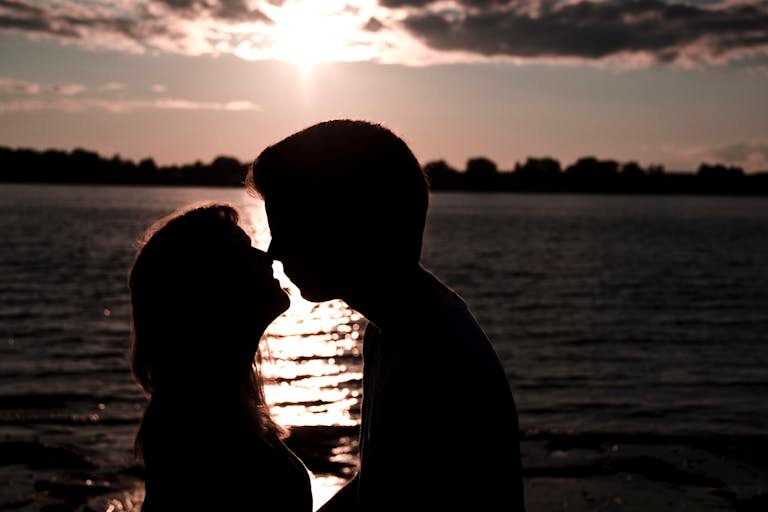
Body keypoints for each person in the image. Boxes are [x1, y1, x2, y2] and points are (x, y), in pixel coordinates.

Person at [247, 120, 526, 510]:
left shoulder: (427, 371)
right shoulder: (393, 328)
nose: (274, 251)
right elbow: (378, 482)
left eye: (289, 229)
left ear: (344, 228)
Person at [129, 203, 312, 511]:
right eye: (240, 251)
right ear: (206, 286)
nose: (265, 257)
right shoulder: (193, 423)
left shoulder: (224, 404)